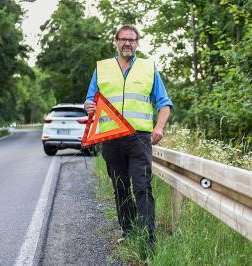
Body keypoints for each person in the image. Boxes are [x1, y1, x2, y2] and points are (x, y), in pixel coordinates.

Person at [85, 24, 173, 248]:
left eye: (131, 40)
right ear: (115, 41)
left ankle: (148, 241)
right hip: (111, 139)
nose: (127, 43)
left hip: (139, 139)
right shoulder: (102, 68)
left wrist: (159, 127)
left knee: (142, 187)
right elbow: (89, 100)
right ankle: (129, 230)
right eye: (123, 39)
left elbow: (164, 104)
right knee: (120, 187)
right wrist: (89, 107)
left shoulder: (149, 68)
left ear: (137, 43)